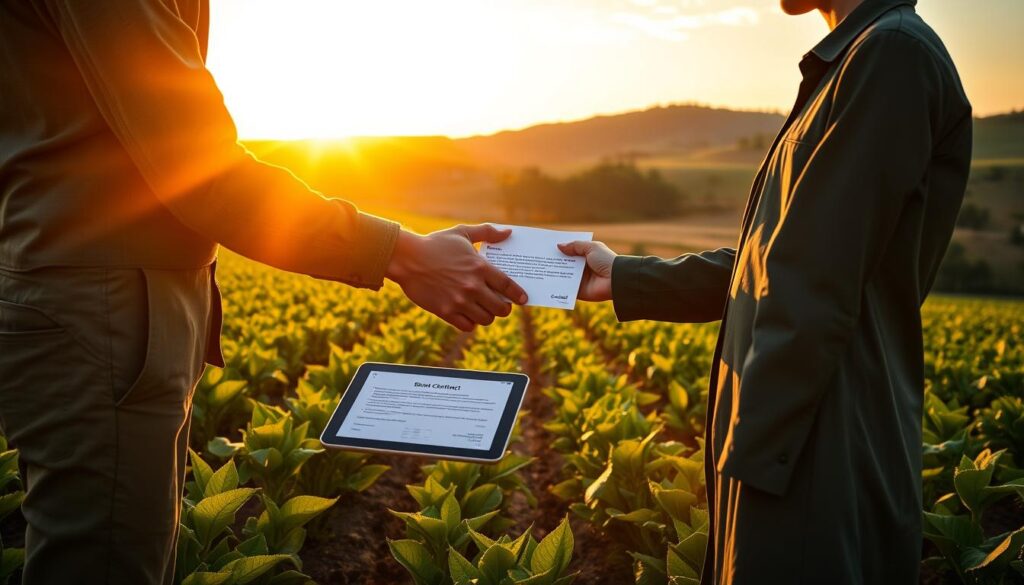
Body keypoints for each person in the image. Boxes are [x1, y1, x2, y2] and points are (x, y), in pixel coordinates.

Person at [0, 0, 527, 582]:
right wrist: (401, 253)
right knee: (106, 562)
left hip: (105, 299)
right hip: (104, 308)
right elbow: (200, 170)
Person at [561, 0, 972, 582]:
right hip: (796, 440)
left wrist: (754, 464)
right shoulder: (862, 56)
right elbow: (778, 261)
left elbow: (813, 278)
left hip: (814, 444)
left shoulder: (891, 53)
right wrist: (625, 276)